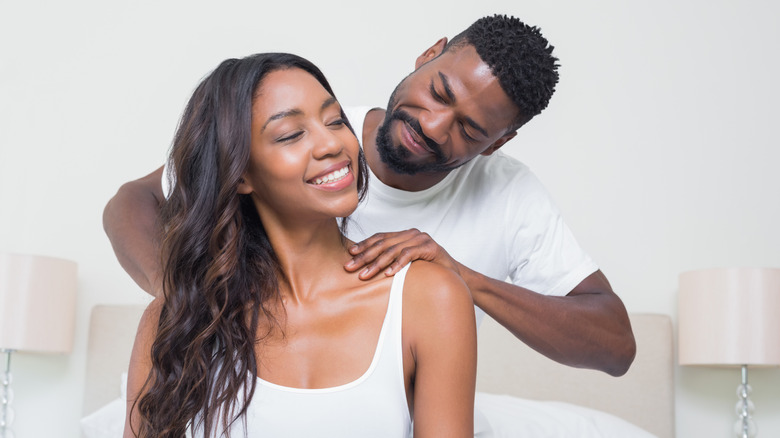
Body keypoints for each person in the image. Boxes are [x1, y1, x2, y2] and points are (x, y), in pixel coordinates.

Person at [105, 15, 635, 380]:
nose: (431, 125)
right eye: (438, 92)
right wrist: (182, 305)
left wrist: (464, 279)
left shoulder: (509, 196)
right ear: (430, 54)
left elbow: (614, 344)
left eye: (469, 130)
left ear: (499, 142)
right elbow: (135, 201)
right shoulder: (318, 138)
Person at [123, 53, 477, 438]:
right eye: (292, 134)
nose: (331, 143)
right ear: (240, 174)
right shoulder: (178, 318)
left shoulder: (430, 297)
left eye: (336, 120)